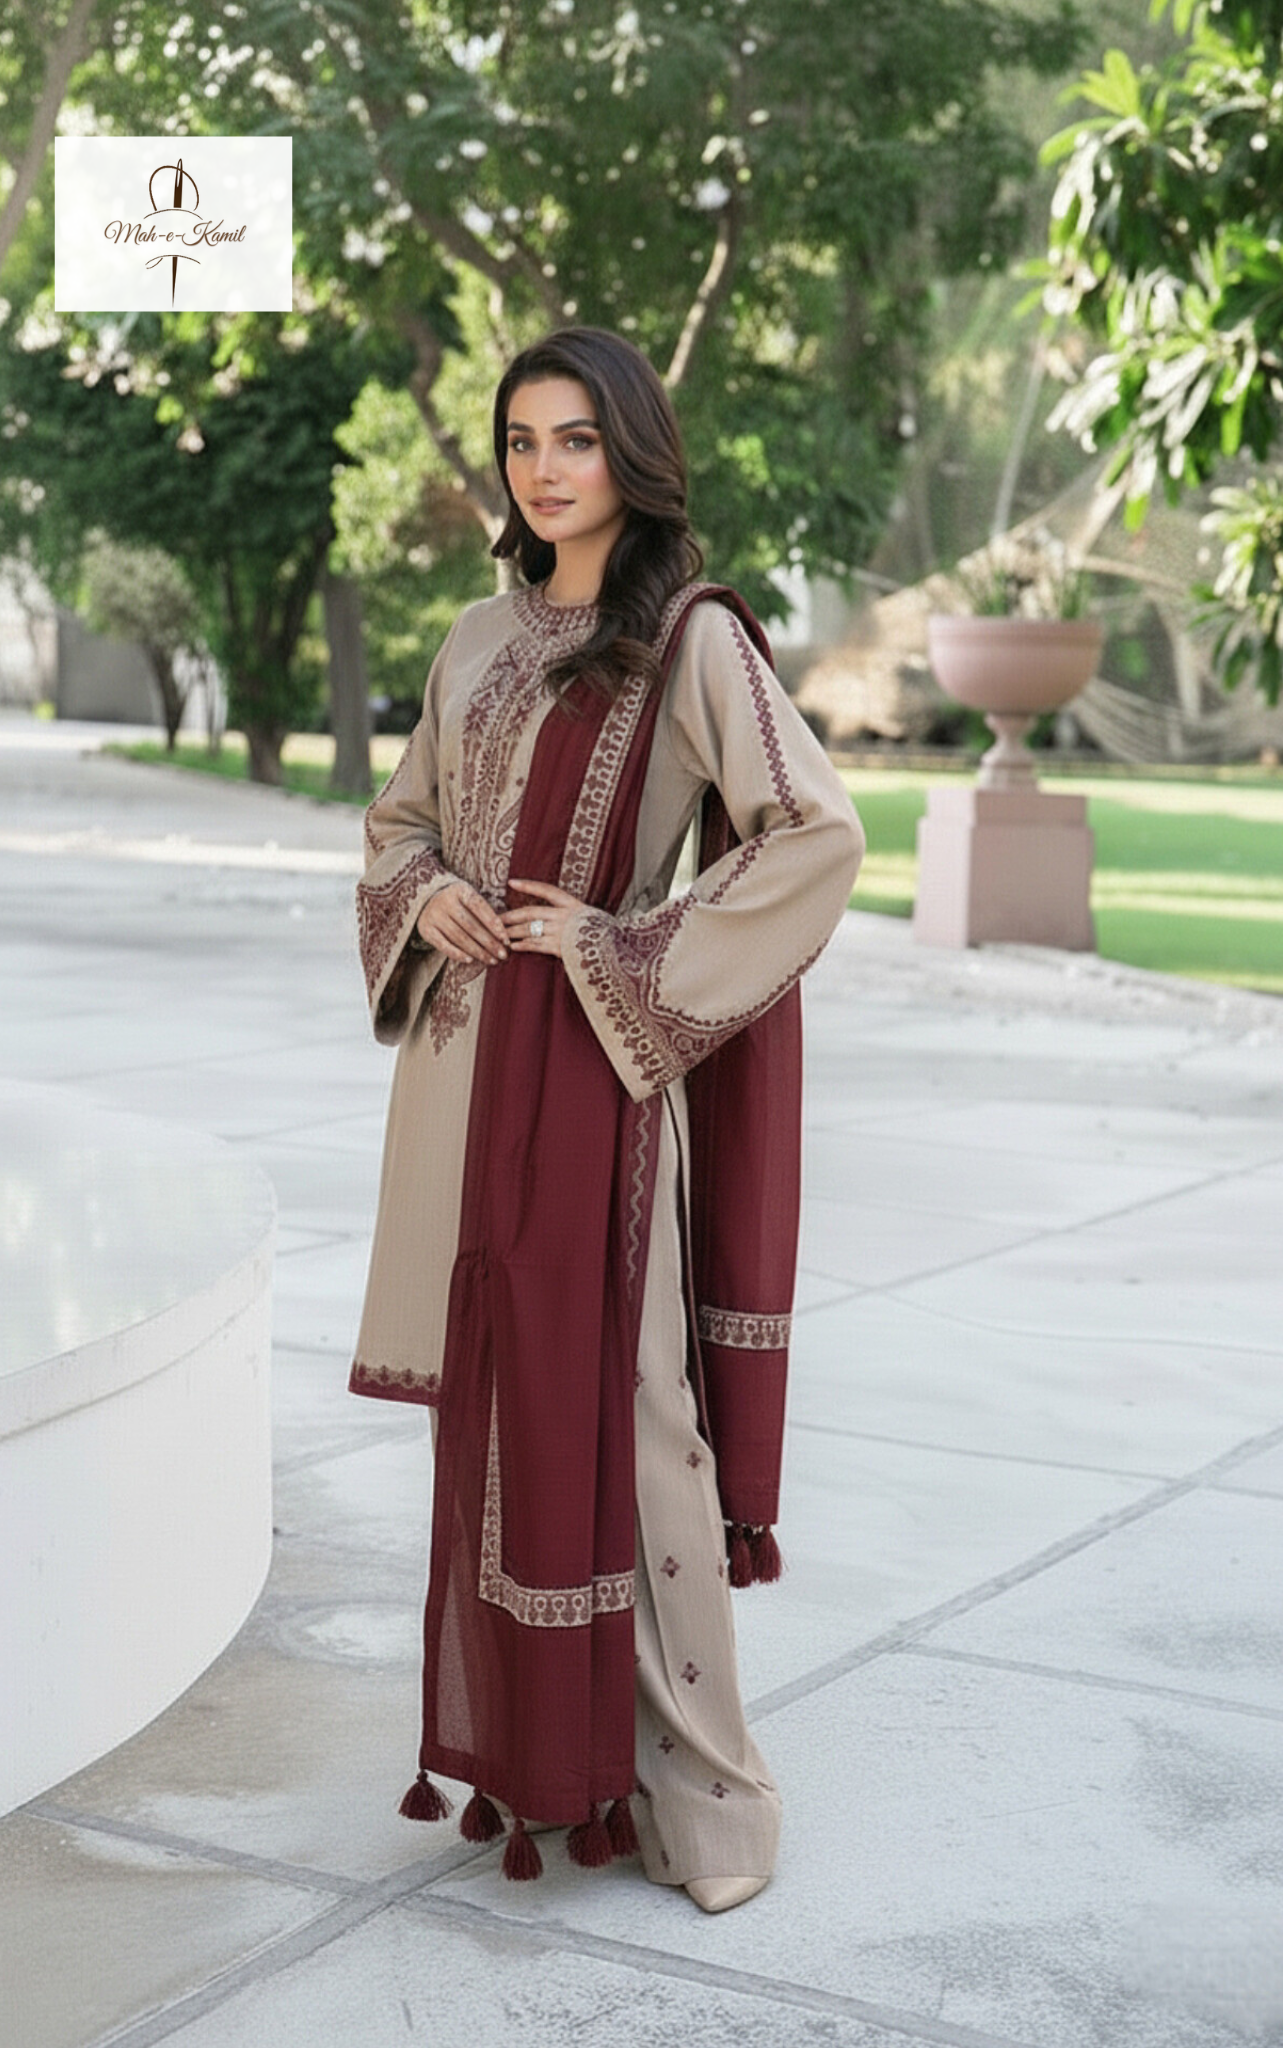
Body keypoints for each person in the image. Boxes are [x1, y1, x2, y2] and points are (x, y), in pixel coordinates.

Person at [350, 326, 865, 1913]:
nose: (545, 468)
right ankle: (552, 1763)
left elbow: (815, 834)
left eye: (575, 439)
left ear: (632, 454)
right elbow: (399, 818)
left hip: (595, 1083)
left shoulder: (687, 642)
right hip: (463, 1084)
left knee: (638, 1429)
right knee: (504, 1416)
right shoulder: (472, 638)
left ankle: (711, 1801)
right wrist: (425, 895)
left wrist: (628, 946)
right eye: (522, 441)